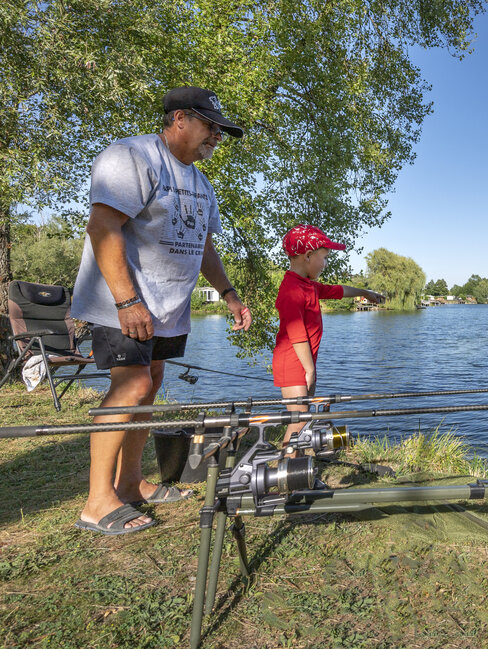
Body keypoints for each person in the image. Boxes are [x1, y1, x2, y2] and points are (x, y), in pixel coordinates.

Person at [70, 86, 252, 535]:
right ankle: (97, 502)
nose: (217, 137)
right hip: (124, 302)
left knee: (150, 387)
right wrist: (127, 300)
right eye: (211, 127)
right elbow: (103, 225)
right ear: (180, 119)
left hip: (167, 307)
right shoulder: (132, 157)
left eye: (220, 131)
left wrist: (228, 293)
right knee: (130, 388)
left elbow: (203, 247)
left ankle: (130, 485)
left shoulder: (202, 183)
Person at [273, 225, 384, 447]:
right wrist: (310, 369)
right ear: (308, 256)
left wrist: (364, 292)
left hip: (303, 362)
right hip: (294, 362)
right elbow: (297, 334)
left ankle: (296, 469)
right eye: (324, 258)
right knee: (298, 420)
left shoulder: (308, 285)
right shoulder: (291, 289)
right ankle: (287, 470)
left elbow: (338, 290)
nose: (325, 264)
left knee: (302, 420)